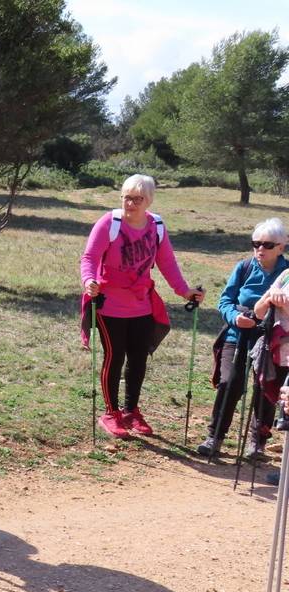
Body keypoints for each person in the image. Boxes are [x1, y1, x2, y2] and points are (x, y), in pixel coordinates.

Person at [81, 174, 205, 439]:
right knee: (114, 358)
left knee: (138, 359)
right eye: (127, 197)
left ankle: (131, 411)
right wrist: (89, 280)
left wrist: (184, 291)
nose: (131, 203)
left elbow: (167, 262)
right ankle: (110, 413)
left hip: (141, 304)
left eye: (138, 199)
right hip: (109, 304)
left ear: (148, 200)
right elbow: (90, 257)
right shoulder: (109, 223)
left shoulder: (156, 226)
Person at [197, 218, 288, 458]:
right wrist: (235, 318)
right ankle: (214, 437)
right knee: (230, 382)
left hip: (272, 340)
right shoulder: (244, 267)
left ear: (281, 247)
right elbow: (225, 301)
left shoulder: (287, 274)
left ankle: (257, 443)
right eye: (256, 243)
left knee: (265, 387)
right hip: (237, 335)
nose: (260, 249)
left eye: (267, 245)